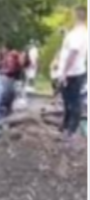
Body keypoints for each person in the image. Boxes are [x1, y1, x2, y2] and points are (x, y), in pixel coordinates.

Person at [57, 7, 88, 141]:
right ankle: (66, 129)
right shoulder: (81, 33)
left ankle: (70, 131)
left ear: (76, 16)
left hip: (72, 73)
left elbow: (74, 52)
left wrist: (65, 72)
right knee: (69, 101)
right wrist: (65, 34)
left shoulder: (78, 34)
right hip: (76, 71)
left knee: (72, 102)